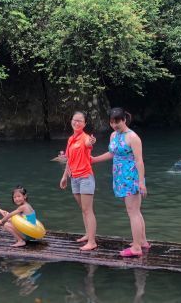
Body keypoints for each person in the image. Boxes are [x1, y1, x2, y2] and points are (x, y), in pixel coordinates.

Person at [92, 107, 149, 258]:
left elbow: (139, 161)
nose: (114, 125)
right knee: (135, 211)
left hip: (131, 177)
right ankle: (142, 241)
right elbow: (112, 153)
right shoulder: (113, 135)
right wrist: (94, 160)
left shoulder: (133, 137)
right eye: (112, 122)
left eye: (117, 122)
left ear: (124, 120)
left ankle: (137, 247)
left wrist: (142, 182)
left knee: (133, 212)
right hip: (119, 177)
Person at [59, 111, 97, 252]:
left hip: (85, 177)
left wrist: (92, 142)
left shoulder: (85, 138)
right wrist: (64, 176)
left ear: (84, 124)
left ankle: (92, 242)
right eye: (75, 120)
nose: (77, 122)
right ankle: (88, 234)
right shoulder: (70, 139)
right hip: (74, 178)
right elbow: (69, 160)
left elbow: (89, 143)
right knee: (83, 209)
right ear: (71, 121)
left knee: (88, 210)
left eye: (80, 121)